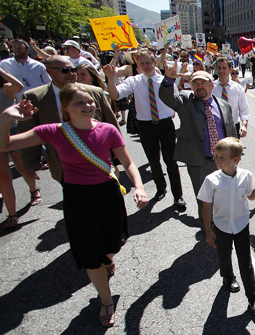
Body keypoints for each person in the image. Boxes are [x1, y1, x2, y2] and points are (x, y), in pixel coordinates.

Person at [0, 84, 149, 327]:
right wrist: (6, 119)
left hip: (107, 194)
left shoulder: (108, 130)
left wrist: (139, 187)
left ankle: (107, 258)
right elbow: (5, 145)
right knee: (90, 254)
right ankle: (106, 300)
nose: (88, 105)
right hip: (77, 197)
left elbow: (128, 163)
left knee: (114, 244)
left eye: (90, 101)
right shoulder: (53, 131)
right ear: (66, 108)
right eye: (80, 102)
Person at [104, 49, 186, 210]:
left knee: (171, 161)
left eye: (148, 62)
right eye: (142, 63)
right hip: (146, 126)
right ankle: (160, 188)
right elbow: (115, 95)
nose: (145, 66)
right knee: (154, 160)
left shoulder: (165, 80)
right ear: (138, 65)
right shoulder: (134, 81)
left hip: (165, 124)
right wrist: (111, 78)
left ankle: (178, 196)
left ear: (155, 63)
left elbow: (175, 100)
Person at [18, 56, 119, 185]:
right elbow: (28, 130)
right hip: (62, 163)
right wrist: (29, 162)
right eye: (64, 70)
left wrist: (118, 154)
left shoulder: (95, 92)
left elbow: (111, 123)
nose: (71, 74)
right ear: (49, 72)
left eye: (73, 69)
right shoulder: (34, 97)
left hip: (97, 159)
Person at [198, 137, 255, 315]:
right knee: (224, 254)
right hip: (221, 226)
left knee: (245, 261)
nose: (217, 160)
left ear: (236, 160)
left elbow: (251, 196)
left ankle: (252, 296)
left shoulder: (246, 176)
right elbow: (206, 206)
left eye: (222, 157)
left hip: (241, 225)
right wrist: (208, 230)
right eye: (216, 156)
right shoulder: (211, 180)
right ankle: (228, 278)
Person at [158, 67, 238, 220]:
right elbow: (167, 97)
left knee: (225, 194)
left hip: (224, 161)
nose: (200, 86)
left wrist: (235, 156)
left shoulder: (223, 105)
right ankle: (207, 228)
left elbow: (230, 130)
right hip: (199, 162)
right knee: (204, 198)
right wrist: (168, 79)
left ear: (211, 85)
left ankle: (223, 222)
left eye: (203, 82)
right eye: (196, 83)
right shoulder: (185, 101)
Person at [0, 68, 40, 227]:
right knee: (3, 176)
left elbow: (18, 86)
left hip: (11, 132)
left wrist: (1, 71)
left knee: (22, 167)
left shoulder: (6, 88)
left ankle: (33, 190)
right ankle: (12, 215)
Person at [211, 57, 250, 138]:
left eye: (224, 68)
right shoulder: (210, 87)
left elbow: (244, 111)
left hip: (233, 126)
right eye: (219, 68)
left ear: (230, 69)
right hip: (214, 126)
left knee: (232, 150)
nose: (221, 71)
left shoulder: (238, 88)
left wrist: (244, 125)